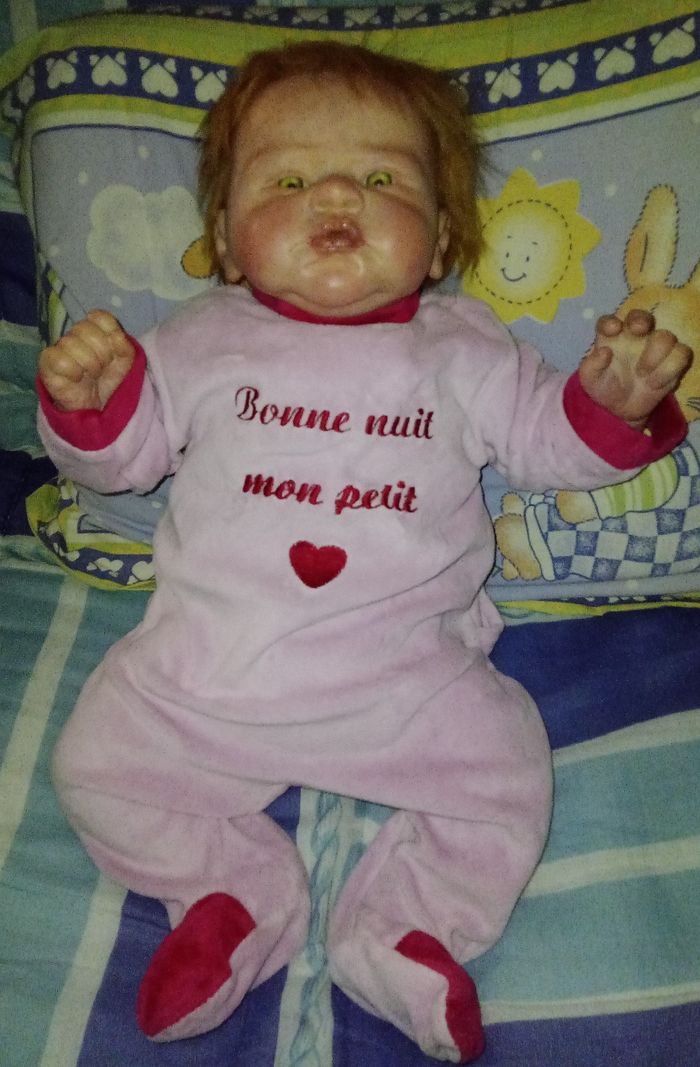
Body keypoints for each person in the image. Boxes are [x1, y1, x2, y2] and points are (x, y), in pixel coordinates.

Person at [36, 41, 691, 1063]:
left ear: (439, 240)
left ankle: (401, 927)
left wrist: (612, 398)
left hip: (409, 685)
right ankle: (231, 888)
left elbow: (547, 446)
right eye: (287, 180)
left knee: (508, 776)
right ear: (225, 238)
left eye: (383, 180)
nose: (336, 194)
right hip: (208, 676)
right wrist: (89, 402)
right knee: (92, 764)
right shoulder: (195, 341)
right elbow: (123, 460)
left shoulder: (466, 347)